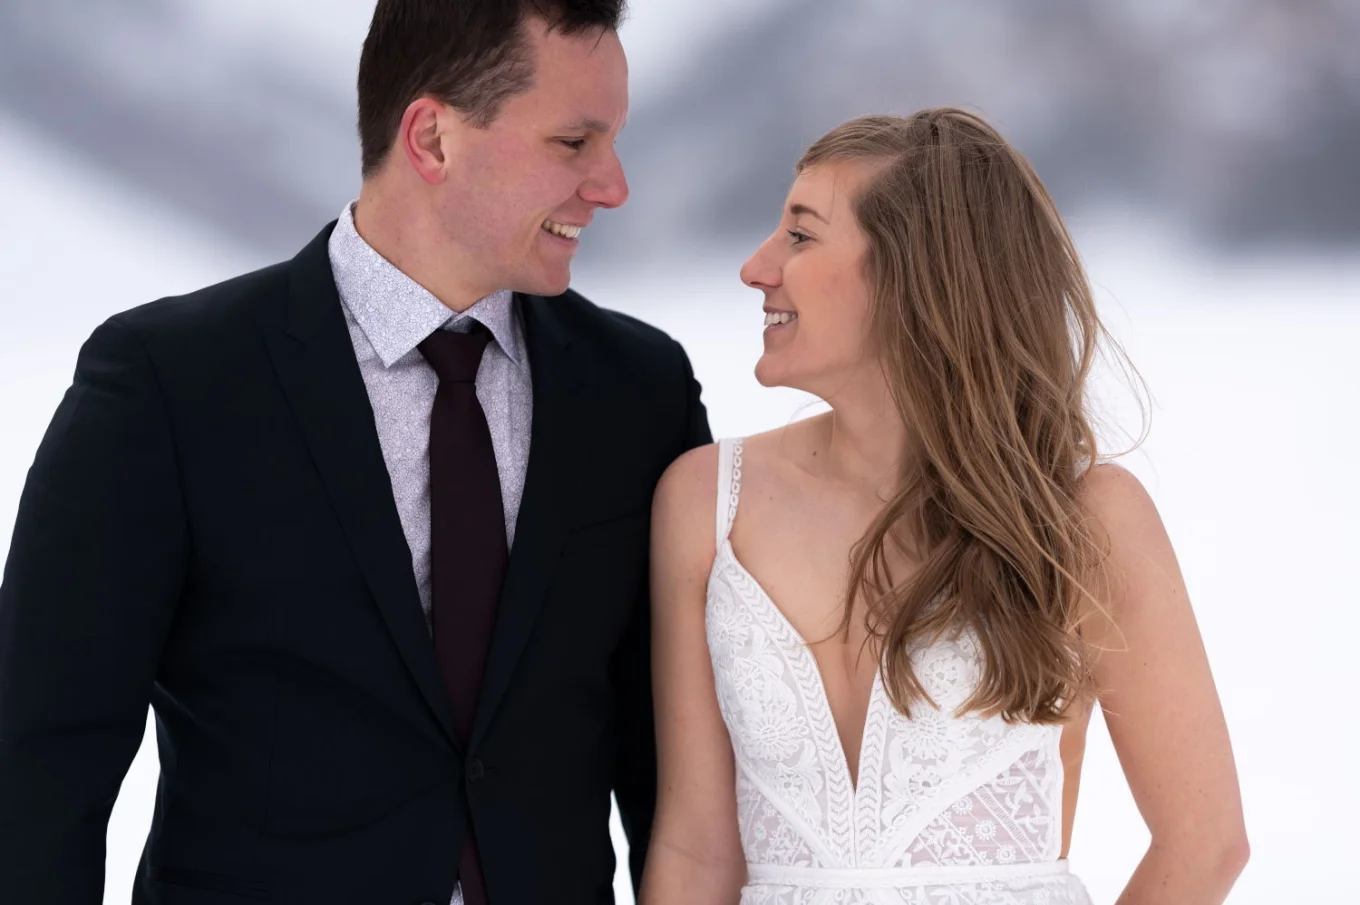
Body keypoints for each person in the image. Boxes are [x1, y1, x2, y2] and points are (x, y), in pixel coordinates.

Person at [0, 1, 710, 903]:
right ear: (432, 138)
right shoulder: (169, 383)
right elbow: (42, 760)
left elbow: (670, 766)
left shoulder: (640, 390)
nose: (612, 185)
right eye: (574, 143)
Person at [643, 109, 1248, 904]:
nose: (757, 267)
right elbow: (697, 851)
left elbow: (1204, 843)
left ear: (912, 274)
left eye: (800, 235)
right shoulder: (704, 503)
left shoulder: (1085, 518)